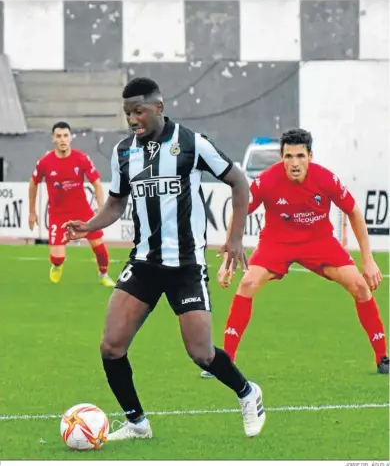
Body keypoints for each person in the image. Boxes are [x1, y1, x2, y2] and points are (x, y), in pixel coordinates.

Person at [62, 77, 266, 440]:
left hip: (186, 266)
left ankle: (248, 392)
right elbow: (116, 203)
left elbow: (239, 182)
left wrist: (235, 238)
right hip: (143, 264)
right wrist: (89, 225)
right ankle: (137, 423)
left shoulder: (191, 143)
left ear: (158, 107)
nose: (132, 119)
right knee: (111, 347)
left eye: (138, 111)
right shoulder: (124, 151)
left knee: (201, 353)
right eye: (127, 113)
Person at [201, 128, 388, 379]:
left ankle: (382, 358)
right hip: (277, 243)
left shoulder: (326, 179)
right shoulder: (268, 180)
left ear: (310, 156)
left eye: (300, 156)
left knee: (360, 286)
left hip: (319, 242)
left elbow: (354, 212)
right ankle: (226, 362)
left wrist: (368, 259)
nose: (294, 163)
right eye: (288, 156)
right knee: (248, 283)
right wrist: (228, 257)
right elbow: (239, 208)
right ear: (281, 157)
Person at [29, 121, 115, 287]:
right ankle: (56, 265)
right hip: (58, 214)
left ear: (70, 138)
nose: (63, 139)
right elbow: (33, 184)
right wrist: (32, 212)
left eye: (66, 136)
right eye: (59, 136)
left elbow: (96, 183)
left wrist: (101, 208)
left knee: (100, 249)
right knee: (58, 258)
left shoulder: (81, 158)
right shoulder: (45, 162)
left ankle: (103, 275)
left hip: (83, 212)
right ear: (53, 138)